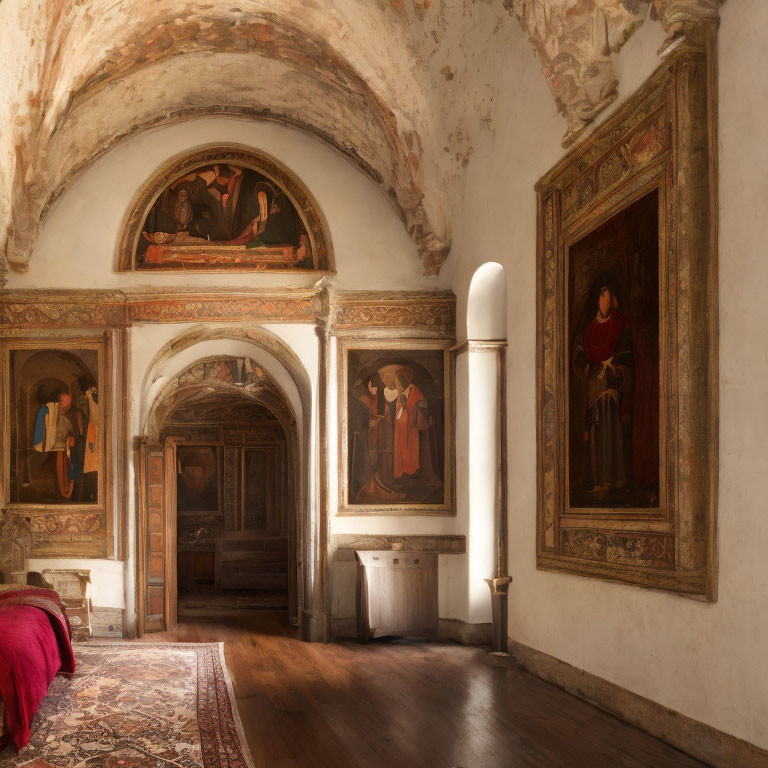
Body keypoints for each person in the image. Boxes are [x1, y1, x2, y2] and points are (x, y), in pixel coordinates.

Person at [572, 284, 633, 493]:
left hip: (611, 385)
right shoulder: (589, 331)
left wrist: (615, 367)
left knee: (610, 428)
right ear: (597, 300)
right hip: (593, 387)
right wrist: (589, 365)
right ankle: (598, 481)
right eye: (601, 296)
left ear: (613, 299)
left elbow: (626, 355)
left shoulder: (620, 325)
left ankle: (615, 479)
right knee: (595, 430)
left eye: (607, 295)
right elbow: (581, 354)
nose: (604, 300)